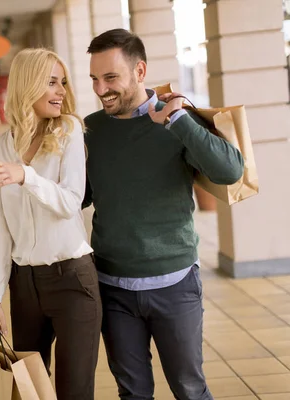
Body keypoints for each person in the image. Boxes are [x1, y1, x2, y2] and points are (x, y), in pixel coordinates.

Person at [83, 28, 244, 400]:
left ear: (140, 72)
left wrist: (178, 121)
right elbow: (83, 197)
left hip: (175, 284)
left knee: (189, 389)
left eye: (110, 77)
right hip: (113, 288)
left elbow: (230, 172)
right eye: (94, 78)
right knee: (133, 393)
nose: (100, 88)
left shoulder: (176, 120)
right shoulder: (91, 130)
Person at [0, 48, 101, 399]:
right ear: (27, 85)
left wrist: (25, 176)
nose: (61, 90)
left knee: (73, 391)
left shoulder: (69, 131)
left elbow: (70, 202)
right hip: (25, 286)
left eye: (62, 82)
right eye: (51, 82)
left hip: (73, 281)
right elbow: (0, 227)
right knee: (30, 390)